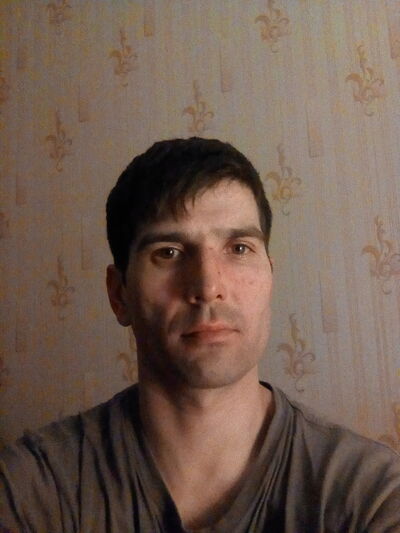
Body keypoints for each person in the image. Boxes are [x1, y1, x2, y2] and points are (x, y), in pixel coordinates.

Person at [1, 137, 400, 533]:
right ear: (119, 294)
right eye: (168, 252)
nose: (208, 286)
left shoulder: (370, 495)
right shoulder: (33, 488)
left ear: (270, 276)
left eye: (239, 248)